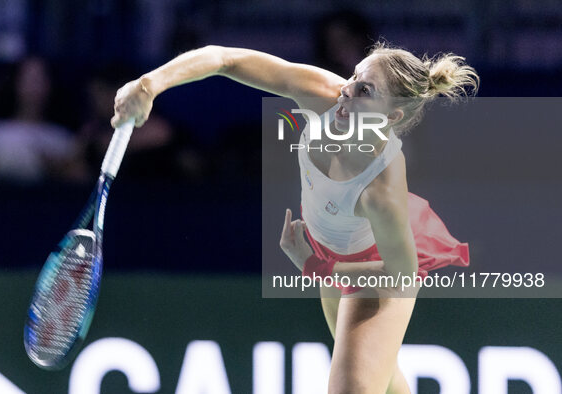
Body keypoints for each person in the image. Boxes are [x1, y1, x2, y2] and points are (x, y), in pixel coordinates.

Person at [111, 43, 478, 393]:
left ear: (391, 116)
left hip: (376, 270)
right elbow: (225, 59)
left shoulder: (381, 191)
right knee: (380, 377)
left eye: (365, 89)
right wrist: (149, 84)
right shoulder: (324, 94)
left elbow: (401, 275)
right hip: (327, 255)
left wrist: (315, 267)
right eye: (353, 76)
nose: (346, 91)